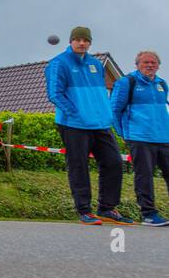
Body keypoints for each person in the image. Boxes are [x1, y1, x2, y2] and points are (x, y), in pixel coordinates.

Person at [45, 26, 132, 225]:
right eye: (78, 39)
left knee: (113, 162)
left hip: (100, 124)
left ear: (90, 42)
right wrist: (77, 113)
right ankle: (84, 210)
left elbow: (99, 93)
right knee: (79, 166)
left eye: (86, 40)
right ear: (71, 41)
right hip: (73, 124)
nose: (82, 43)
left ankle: (107, 208)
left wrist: (105, 114)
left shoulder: (95, 64)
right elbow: (54, 94)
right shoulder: (58, 63)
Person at [108, 50, 169, 226]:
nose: (150, 65)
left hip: (164, 138)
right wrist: (124, 134)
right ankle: (149, 214)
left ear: (158, 65)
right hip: (139, 137)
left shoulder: (162, 84)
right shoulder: (127, 82)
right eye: (145, 62)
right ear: (137, 64)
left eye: (153, 63)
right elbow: (114, 110)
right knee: (145, 176)